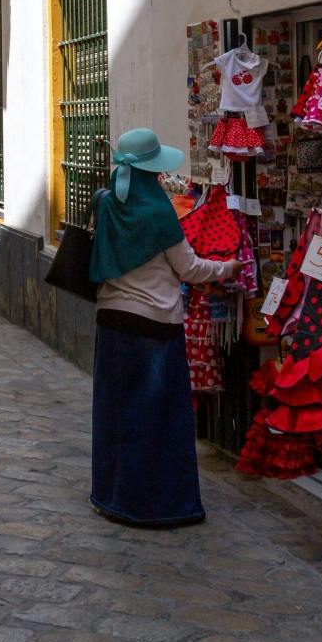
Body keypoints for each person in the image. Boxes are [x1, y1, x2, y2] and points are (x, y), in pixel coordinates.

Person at [88, 127, 239, 528]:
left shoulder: (106, 203)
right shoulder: (159, 214)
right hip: (154, 327)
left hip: (111, 320)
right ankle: (156, 504)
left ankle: (111, 495)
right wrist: (230, 267)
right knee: (158, 418)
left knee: (115, 413)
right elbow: (190, 268)